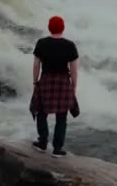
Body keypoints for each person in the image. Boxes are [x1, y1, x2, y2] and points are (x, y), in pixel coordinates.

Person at [29, 15, 80, 158]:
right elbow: (74, 69)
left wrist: (35, 82)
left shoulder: (42, 43)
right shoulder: (70, 45)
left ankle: (43, 142)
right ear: (62, 28)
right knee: (62, 116)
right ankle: (57, 149)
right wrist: (74, 86)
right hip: (63, 82)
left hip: (46, 80)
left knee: (41, 112)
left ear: (49, 28)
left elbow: (36, 65)